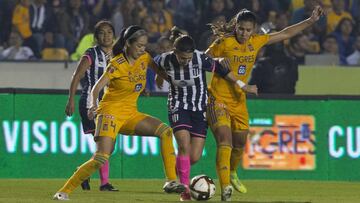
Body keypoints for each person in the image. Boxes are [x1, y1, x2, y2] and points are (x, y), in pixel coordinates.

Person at [205, 6, 323, 201]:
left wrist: (310, 21)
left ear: (254, 30)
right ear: (235, 26)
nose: (244, 33)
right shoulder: (223, 42)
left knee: (240, 143)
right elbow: (204, 59)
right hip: (217, 98)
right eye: (241, 29)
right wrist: (216, 58)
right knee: (224, 140)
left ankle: (232, 172)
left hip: (238, 101)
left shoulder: (256, 42)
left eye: (248, 30)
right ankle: (225, 188)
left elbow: (286, 33)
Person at [54, 25, 183, 201]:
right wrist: (93, 106)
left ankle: (171, 182)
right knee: (101, 157)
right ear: (127, 44)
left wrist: (164, 77)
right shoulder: (116, 64)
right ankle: (63, 192)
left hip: (130, 114)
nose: (142, 49)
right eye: (138, 45)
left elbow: (158, 69)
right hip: (110, 113)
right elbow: (96, 87)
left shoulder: (145, 57)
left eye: (144, 46)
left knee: (166, 132)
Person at [154, 35, 257, 201]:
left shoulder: (201, 58)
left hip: (199, 109)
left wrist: (243, 86)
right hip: (178, 106)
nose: (185, 62)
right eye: (182, 58)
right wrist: (159, 75)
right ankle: (184, 192)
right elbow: (153, 64)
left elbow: (223, 71)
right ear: (175, 52)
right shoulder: (165, 59)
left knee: (194, 156)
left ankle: (173, 174)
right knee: (183, 146)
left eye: (188, 58)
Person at [64, 20, 118, 192]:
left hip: (110, 103)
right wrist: (70, 99)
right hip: (91, 103)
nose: (106, 36)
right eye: (102, 33)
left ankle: (83, 173)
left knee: (109, 146)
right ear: (96, 37)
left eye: (109, 32)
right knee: (104, 143)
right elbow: (77, 75)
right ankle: (104, 184)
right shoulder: (91, 54)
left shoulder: (118, 55)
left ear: (114, 35)